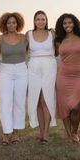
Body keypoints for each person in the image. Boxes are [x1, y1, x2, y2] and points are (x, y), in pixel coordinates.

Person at [55, 13, 80, 143]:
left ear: (74, 23)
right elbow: (51, 53)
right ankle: (69, 133)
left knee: (75, 107)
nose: (67, 25)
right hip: (63, 76)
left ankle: (75, 131)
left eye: (69, 22)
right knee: (64, 106)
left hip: (78, 76)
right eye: (64, 23)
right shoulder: (59, 40)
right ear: (61, 25)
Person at [0, 12, 28, 145]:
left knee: (19, 101)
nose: (11, 25)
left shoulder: (25, 38)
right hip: (5, 70)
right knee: (5, 102)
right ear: (4, 24)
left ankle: (16, 133)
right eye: (9, 23)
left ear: (18, 24)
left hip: (21, 69)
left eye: (14, 22)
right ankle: (5, 133)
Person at [27, 10, 57, 144]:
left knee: (46, 99)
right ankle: (40, 131)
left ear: (46, 20)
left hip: (49, 66)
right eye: (38, 19)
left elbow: (57, 50)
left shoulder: (52, 33)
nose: (40, 21)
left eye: (43, 19)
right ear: (34, 21)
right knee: (37, 100)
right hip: (33, 67)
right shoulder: (28, 34)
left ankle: (46, 132)